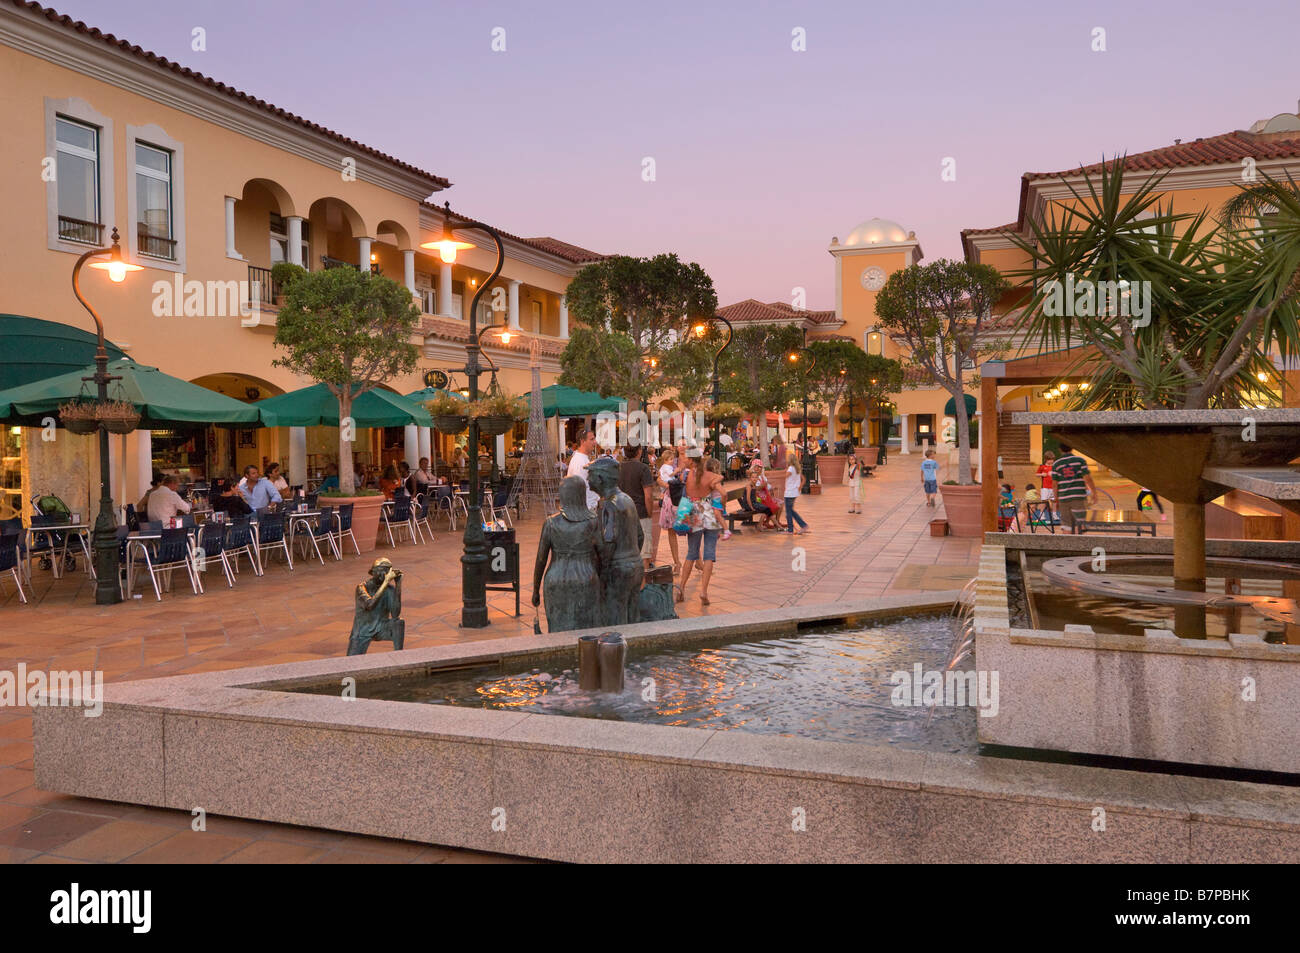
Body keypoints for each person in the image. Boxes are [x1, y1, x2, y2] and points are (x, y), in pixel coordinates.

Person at [677, 447, 723, 605]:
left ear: (691, 460)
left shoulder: (686, 475)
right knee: (709, 554)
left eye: (685, 457)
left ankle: (681, 587)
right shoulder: (711, 476)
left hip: (694, 512)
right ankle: (703, 591)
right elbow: (721, 487)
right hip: (708, 512)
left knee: (691, 553)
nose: (683, 460)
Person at [618, 444, 657, 571]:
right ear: (639, 451)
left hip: (623, 513)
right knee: (644, 552)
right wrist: (649, 513)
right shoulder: (643, 469)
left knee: (626, 551)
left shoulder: (618, 468)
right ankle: (642, 584)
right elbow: (648, 495)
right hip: (640, 512)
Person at [1051, 442, 1095, 530]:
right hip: (1078, 497)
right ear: (1072, 447)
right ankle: (1080, 541)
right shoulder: (1080, 460)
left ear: (1060, 449)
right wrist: (1094, 493)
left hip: (1064, 498)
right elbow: (1087, 478)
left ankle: (1068, 543)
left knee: (1066, 525)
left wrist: (1056, 498)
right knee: (1081, 522)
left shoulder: (1056, 464)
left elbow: (1054, 484)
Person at [653, 447, 682, 572]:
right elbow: (665, 482)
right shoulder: (669, 469)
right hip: (672, 500)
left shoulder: (669, 468)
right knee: (672, 530)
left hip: (677, 499)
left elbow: (663, 481)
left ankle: (693, 561)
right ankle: (678, 562)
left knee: (690, 531)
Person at [566, 428, 599, 510]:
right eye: (592, 439)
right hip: (585, 512)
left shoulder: (582, 458)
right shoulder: (579, 461)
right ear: (582, 441)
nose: (595, 442)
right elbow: (579, 491)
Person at [783, 448, 808, 534]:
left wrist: (785, 468)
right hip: (794, 492)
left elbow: (785, 476)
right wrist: (799, 487)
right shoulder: (797, 468)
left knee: (789, 512)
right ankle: (802, 525)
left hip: (789, 493)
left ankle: (791, 529)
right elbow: (803, 479)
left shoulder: (790, 468)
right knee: (791, 511)